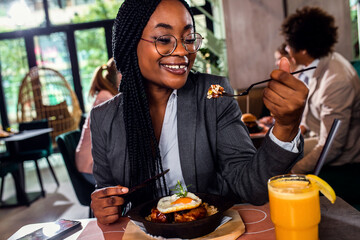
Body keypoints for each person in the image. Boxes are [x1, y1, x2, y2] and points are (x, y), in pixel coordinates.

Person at [90, 0, 308, 225]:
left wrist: (286, 126)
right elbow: (107, 192)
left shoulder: (213, 95)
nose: (184, 50)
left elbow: (251, 186)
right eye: (164, 39)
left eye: (189, 38)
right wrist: (104, 204)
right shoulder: (103, 118)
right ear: (129, 44)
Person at [281, 6, 360, 173]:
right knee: (276, 158)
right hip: (318, 140)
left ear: (303, 49)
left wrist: (293, 173)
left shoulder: (336, 81)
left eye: (288, 44)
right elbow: (307, 115)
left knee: (281, 173)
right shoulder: (311, 65)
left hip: (344, 161)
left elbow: (332, 144)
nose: (286, 49)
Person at [75, 58, 121, 185]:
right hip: (91, 169)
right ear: (118, 76)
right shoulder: (105, 98)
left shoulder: (107, 95)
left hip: (93, 164)